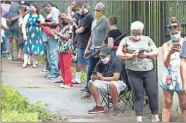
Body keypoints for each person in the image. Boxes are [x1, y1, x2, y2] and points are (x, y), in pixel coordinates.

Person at [116, 21, 159, 122]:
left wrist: (146, 54)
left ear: (142, 31)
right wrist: (131, 56)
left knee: (152, 93)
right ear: (131, 31)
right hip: (133, 71)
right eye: (134, 33)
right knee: (138, 94)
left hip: (148, 70)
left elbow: (156, 51)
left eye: (139, 33)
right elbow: (118, 53)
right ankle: (139, 119)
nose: (136, 35)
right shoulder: (125, 40)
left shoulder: (147, 39)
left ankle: (155, 117)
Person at [161, 17, 186, 122]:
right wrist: (170, 54)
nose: (173, 33)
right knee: (167, 103)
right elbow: (166, 64)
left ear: (180, 30)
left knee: (184, 105)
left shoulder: (185, 42)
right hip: (170, 75)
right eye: (171, 32)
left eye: (175, 32)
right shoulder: (166, 45)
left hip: (183, 75)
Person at [81, 2, 109, 95]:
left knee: (102, 71)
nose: (96, 12)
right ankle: (88, 88)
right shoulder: (94, 21)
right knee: (90, 70)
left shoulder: (105, 22)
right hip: (93, 49)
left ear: (103, 11)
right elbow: (91, 36)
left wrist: (103, 48)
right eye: (95, 10)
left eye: (98, 10)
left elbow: (107, 37)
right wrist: (87, 48)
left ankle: (102, 90)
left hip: (101, 50)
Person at [88, 47, 127, 114]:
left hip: (119, 83)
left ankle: (115, 107)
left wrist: (102, 78)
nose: (102, 58)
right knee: (91, 83)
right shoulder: (100, 63)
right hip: (105, 82)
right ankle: (99, 106)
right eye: (100, 56)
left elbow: (116, 78)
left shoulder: (116, 61)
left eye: (103, 56)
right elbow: (96, 74)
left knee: (112, 84)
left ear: (109, 55)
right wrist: (93, 77)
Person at [71, 2, 94, 84]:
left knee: (85, 65)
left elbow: (81, 30)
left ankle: (91, 81)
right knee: (82, 64)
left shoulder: (88, 16)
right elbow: (79, 28)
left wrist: (76, 30)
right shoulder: (82, 16)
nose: (78, 11)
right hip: (81, 42)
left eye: (78, 9)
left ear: (83, 6)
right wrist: (75, 25)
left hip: (85, 43)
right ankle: (89, 82)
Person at [53, 13, 74, 88]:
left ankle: (69, 83)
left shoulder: (70, 27)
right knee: (62, 66)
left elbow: (67, 37)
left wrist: (58, 34)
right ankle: (65, 82)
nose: (59, 21)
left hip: (67, 49)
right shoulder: (62, 27)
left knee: (67, 66)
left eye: (60, 19)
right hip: (61, 49)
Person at [41, 2, 60, 79]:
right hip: (48, 36)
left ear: (48, 6)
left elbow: (56, 22)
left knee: (53, 54)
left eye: (45, 9)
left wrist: (45, 23)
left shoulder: (54, 10)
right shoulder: (51, 13)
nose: (45, 11)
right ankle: (52, 71)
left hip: (52, 35)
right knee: (49, 55)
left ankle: (55, 72)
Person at [22, 3, 45, 68]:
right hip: (29, 35)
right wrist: (24, 34)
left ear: (36, 9)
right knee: (27, 48)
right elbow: (23, 25)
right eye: (30, 7)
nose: (31, 8)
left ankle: (34, 62)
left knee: (35, 49)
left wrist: (40, 23)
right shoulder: (27, 16)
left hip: (37, 35)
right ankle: (25, 62)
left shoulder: (39, 16)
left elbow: (43, 24)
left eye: (33, 7)